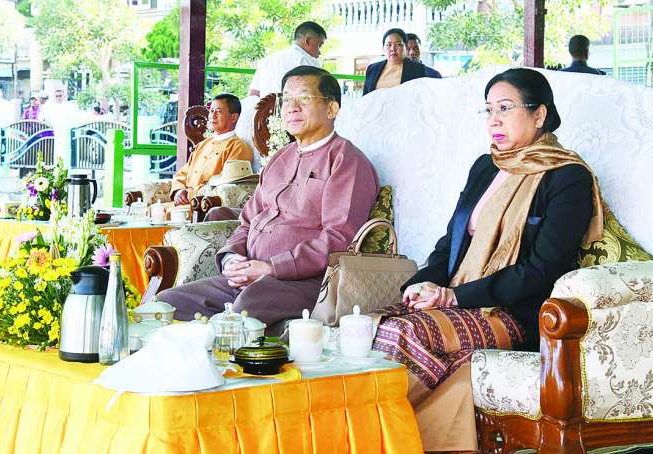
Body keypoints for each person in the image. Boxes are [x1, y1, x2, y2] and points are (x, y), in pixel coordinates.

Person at [373, 68, 599, 451]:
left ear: (539, 115)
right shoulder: (486, 166)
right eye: (489, 110)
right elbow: (451, 242)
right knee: (367, 326)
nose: (494, 120)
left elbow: (542, 270)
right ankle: (382, 437)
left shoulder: (566, 177)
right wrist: (421, 284)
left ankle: (384, 439)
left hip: (517, 312)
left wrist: (453, 298)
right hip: (460, 298)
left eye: (505, 108)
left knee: (402, 333)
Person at [155, 66, 380, 333]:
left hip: (307, 282)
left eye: (304, 98)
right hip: (249, 277)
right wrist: (232, 258)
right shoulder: (280, 158)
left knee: (244, 310)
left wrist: (272, 268)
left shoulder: (346, 160)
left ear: (331, 109)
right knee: (166, 304)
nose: (292, 108)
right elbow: (247, 222)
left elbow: (339, 239)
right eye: (287, 100)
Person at [171, 94, 255, 204]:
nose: (212, 116)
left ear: (233, 117)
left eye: (218, 112)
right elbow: (182, 174)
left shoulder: (238, 147)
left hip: (205, 205)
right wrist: (178, 191)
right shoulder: (202, 145)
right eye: (211, 111)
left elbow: (226, 184)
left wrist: (189, 194)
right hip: (182, 203)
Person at [247, 21, 325, 98]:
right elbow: (319, 95)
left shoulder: (267, 60)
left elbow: (253, 95)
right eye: (319, 45)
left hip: (265, 106)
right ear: (308, 41)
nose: (319, 52)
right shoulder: (309, 61)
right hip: (295, 106)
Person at [363, 28, 436, 94]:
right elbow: (365, 98)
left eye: (398, 44)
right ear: (383, 48)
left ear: (405, 47)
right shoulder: (372, 69)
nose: (393, 49)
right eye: (389, 45)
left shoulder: (417, 69)